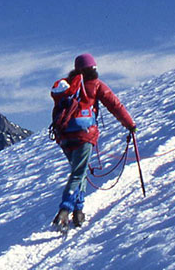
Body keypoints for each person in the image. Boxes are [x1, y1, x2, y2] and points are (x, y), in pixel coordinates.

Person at [48, 53, 137, 228]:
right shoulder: (95, 84)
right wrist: (130, 125)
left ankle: (78, 211)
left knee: (79, 171)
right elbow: (115, 105)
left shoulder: (68, 86)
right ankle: (65, 209)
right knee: (78, 173)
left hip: (64, 137)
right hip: (84, 135)